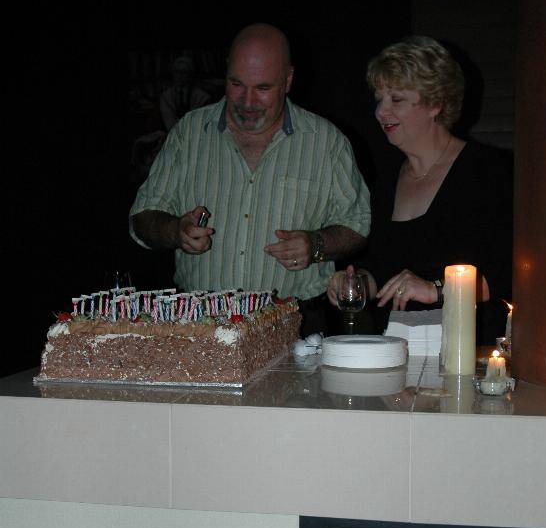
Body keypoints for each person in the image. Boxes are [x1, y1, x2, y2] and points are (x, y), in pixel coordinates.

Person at [130, 23, 371, 335]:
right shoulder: (188, 133)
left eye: (262, 88)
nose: (247, 101)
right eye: (236, 84)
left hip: (294, 325)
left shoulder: (326, 142)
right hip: (202, 324)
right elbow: (142, 218)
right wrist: (175, 231)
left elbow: (357, 224)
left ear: (288, 80)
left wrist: (316, 244)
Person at [327, 35, 513, 345]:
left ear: (436, 103)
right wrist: (357, 282)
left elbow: (511, 271)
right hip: (398, 353)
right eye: (379, 99)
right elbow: (381, 268)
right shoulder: (387, 180)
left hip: (472, 353)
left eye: (396, 99)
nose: (380, 112)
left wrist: (435, 289)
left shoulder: (490, 170)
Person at [159, 54, 214, 130]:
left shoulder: (202, 97)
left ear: (190, 74)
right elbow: (169, 122)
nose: (179, 76)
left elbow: (199, 122)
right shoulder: (166, 96)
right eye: (177, 72)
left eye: (184, 72)